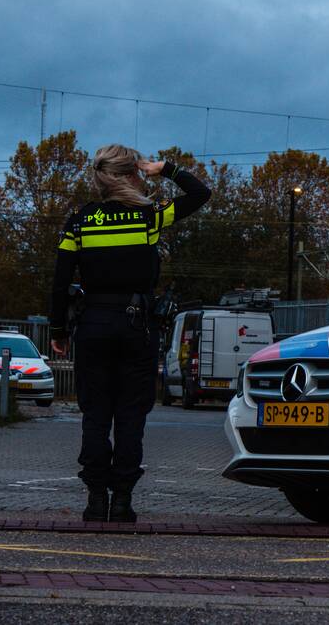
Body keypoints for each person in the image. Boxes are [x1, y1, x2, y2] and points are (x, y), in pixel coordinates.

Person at [50, 144, 211, 522]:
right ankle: (122, 499)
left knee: (94, 414)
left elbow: (59, 283)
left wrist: (59, 329)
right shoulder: (148, 217)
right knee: (130, 416)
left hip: (92, 325)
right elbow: (201, 194)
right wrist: (166, 168)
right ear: (133, 174)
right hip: (137, 325)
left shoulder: (79, 221)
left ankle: (94, 498)